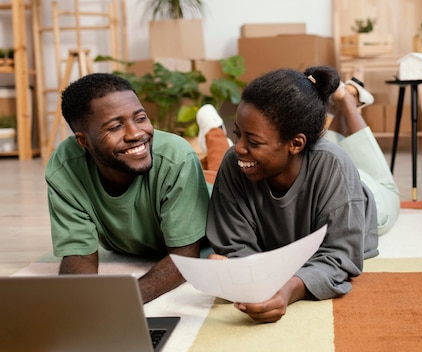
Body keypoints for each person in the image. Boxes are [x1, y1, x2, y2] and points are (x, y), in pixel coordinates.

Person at [205, 66, 400, 323]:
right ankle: (338, 105)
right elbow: (234, 245)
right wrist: (242, 274)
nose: (238, 148)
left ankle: (348, 101)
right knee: (327, 141)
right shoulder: (237, 162)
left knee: (382, 182)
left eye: (253, 141)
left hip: (364, 195)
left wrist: (287, 290)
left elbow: (339, 256)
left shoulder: (335, 167)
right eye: (237, 134)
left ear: (296, 143)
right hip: (311, 159)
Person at [46, 73, 228, 303]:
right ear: (83, 141)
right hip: (158, 165)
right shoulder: (65, 169)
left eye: (140, 118)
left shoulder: (177, 157)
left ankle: (214, 130)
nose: (136, 134)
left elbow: (184, 257)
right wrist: (82, 304)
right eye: (116, 126)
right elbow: (78, 254)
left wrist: (123, 301)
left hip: (211, 188)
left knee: (223, 162)